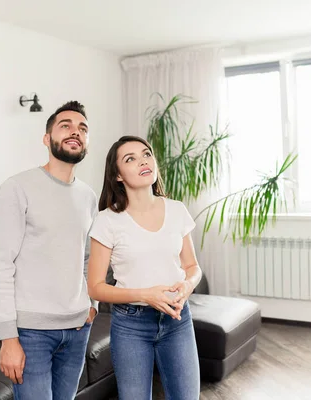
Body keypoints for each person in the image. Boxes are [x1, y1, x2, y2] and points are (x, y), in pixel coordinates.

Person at [0, 101, 98, 400]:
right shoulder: (17, 187)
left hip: (78, 327)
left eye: (82, 128)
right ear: (47, 138)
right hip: (31, 334)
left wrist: (93, 304)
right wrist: (8, 336)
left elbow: (88, 256)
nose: (75, 132)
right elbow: (1, 264)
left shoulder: (88, 196)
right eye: (66, 126)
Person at [87, 135, 202, 400]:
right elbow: (96, 287)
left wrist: (188, 284)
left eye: (146, 154)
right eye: (131, 159)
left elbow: (193, 266)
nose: (143, 161)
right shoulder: (107, 221)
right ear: (117, 175)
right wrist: (145, 294)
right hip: (131, 325)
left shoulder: (176, 210)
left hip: (177, 319)